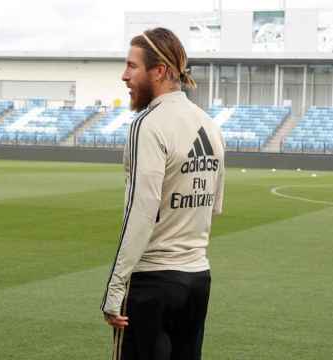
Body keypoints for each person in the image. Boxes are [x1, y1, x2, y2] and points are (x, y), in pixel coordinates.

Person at [101, 28, 225, 360]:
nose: (124, 75)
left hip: (153, 282)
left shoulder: (148, 124)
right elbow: (213, 206)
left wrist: (115, 288)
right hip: (198, 278)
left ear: (160, 71)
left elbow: (140, 213)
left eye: (132, 66)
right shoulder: (209, 125)